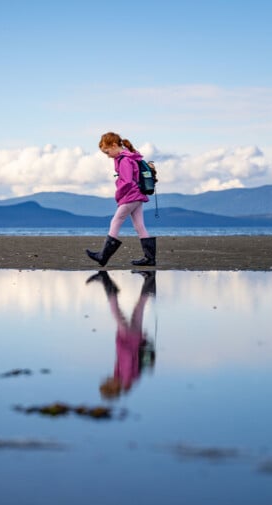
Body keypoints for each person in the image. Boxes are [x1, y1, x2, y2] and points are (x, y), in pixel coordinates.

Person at [86, 132, 156, 267]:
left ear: (113, 145)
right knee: (139, 225)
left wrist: (118, 195)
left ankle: (103, 256)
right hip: (137, 195)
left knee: (116, 220)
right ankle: (149, 258)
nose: (107, 156)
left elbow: (127, 181)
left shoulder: (124, 160)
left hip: (130, 195)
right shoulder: (129, 158)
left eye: (107, 152)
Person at [87, 271, 156, 399]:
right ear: (114, 387)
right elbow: (127, 357)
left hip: (136, 339)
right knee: (116, 311)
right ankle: (109, 287)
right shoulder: (125, 376)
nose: (107, 379)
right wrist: (122, 345)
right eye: (108, 383)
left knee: (139, 307)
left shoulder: (126, 378)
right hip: (128, 338)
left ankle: (150, 280)